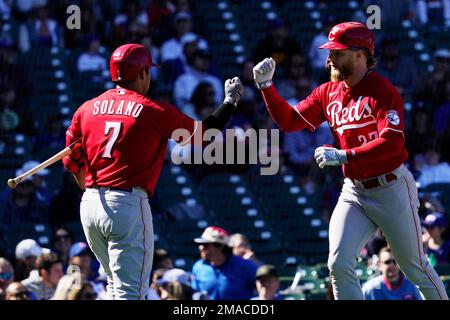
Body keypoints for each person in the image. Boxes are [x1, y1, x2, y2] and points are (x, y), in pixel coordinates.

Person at [252, 21, 448, 300]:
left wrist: (346, 155)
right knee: (338, 263)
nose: (329, 57)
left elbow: (392, 142)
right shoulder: (327, 92)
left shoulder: (382, 90)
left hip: (391, 187)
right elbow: (289, 121)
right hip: (354, 190)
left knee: (414, 267)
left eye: (337, 51)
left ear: (359, 54)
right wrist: (266, 86)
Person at [62, 43, 244, 300]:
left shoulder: (86, 108)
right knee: (131, 293)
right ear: (143, 73)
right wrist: (229, 102)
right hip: (125, 204)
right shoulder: (152, 110)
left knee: (114, 286)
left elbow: (71, 161)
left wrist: (87, 185)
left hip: (90, 204)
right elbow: (204, 135)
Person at [191, 226, 258, 300]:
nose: (201, 248)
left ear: (220, 246)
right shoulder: (198, 267)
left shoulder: (246, 266)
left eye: (206, 245)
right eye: (200, 245)